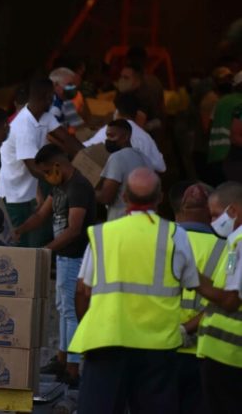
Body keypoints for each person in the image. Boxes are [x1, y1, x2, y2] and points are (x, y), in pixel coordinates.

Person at [70, 168, 199, 413]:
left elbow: (82, 291)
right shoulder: (176, 234)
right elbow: (190, 284)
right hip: (157, 346)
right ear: (160, 198)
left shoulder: (103, 234)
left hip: (106, 340)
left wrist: (88, 326)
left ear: (124, 197)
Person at [13, 144, 96, 387]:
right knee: (62, 308)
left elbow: (74, 230)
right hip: (63, 257)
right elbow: (41, 215)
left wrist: (46, 249)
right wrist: (19, 230)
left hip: (75, 256)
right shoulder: (59, 186)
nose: (46, 177)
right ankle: (61, 359)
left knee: (70, 311)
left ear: (58, 166)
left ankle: (72, 368)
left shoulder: (78, 187)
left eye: (47, 171)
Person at [0, 77, 82, 246]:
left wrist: (88, 157)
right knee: (20, 245)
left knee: (34, 240)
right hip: (15, 196)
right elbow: (34, 168)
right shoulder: (23, 126)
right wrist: (66, 179)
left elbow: (66, 138)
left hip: (31, 191)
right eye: (52, 96)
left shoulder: (44, 117)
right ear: (48, 98)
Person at [169, 182, 224, 414]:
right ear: (211, 212)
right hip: (205, 350)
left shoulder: (159, 241)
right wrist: (188, 328)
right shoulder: (229, 248)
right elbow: (227, 300)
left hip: (160, 346)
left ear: (179, 208)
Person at [194, 181, 242, 414]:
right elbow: (226, 287)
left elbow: (231, 300)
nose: (213, 222)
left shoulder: (240, 244)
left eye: (215, 215)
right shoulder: (233, 244)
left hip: (229, 356)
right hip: (220, 352)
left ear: (233, 210)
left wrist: (194, 281)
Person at [83, 93, 166, 172]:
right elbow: (161, 167)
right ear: (136, 114)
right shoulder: (146, 137)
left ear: (117, 112)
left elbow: (84, 147)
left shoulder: (111, 129)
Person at [95, 119, 151, 220]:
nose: (108, 140)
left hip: (122, 221)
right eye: (107, 136)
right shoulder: (145, 159)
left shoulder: (117, 157)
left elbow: (106, 197)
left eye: (112, 136)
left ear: (125, 137)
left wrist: (87, 192)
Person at [208, 71, 242, 184]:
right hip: (233, 158)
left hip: (215, 156)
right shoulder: (240, 103)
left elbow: (209, 126)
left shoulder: (222, 101)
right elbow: (236, 136)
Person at [49, 67, 84, 132]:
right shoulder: (54, 107)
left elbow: (76, 124)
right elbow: (54, 134)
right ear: (55, 85)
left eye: (74, 84)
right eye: (69, 84)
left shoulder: (66, 101)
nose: (73, 87)